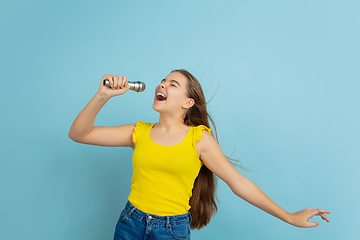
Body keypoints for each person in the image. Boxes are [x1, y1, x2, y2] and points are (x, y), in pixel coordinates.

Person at [68, 69, 330, 240]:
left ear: (187, 103)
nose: (162, 85)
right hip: (130, 223)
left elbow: (239, 183)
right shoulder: (138, 132)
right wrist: (103, 95)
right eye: (163, 81)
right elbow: (79, 134)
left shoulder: (199, 139)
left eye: (173, 84)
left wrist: (289, 216)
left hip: (171, 231)